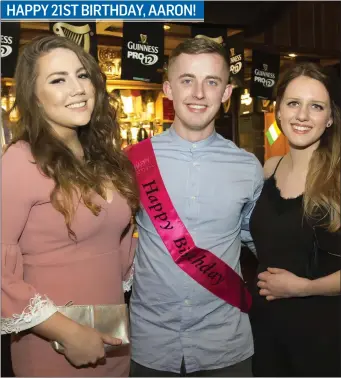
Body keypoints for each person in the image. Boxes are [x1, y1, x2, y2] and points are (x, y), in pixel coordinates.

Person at [1, 35, 139, 377]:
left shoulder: (106, 159)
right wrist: (70, 334)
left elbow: (118, 250)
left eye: (82, 75)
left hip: (112, 339)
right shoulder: (21, 161)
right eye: (58, 80)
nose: (77, 88)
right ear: (34, 95)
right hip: (56, 345)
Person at [128, 38, 263, 377]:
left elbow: (260, 241)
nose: (199, 93)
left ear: (227, 93)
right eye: (187, 80)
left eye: (212, 82)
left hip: (225, 346)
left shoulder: (248, 167)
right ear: (168, 89)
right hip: (151, 345)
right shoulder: (133, 161)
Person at [249, 62, 341, 377]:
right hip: (266, 332)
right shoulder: (269, 168)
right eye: (293, 103)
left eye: (316, 106)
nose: (302, 115)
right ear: (278, 110)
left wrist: (304, 287)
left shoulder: (337, 177)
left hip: (323, 337)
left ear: (329, 118)